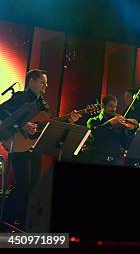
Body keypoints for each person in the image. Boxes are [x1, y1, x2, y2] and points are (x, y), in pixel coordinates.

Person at [0, 69, 80, 224]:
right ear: (31, 81)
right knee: (23, 183)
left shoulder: (43, 103)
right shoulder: (20, 97)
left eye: (46, 82)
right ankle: (7, 217)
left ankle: (22, 220)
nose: (46, 85)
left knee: (34, 184)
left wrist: (69, 120)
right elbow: (1, 111)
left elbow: (47, 125)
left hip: (34, 146)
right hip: (18, 144)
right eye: (42, 81)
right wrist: (22, 125)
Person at [86, 94, 139, 165]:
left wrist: (131, 130)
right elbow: (95, 133)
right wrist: (109, 123)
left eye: (115, 107)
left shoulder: (119, 124)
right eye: (110, 106)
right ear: (103, 106)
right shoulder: (92, 121)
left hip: (115, 161)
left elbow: (125, 144)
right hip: (97, 160)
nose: (113, 109)